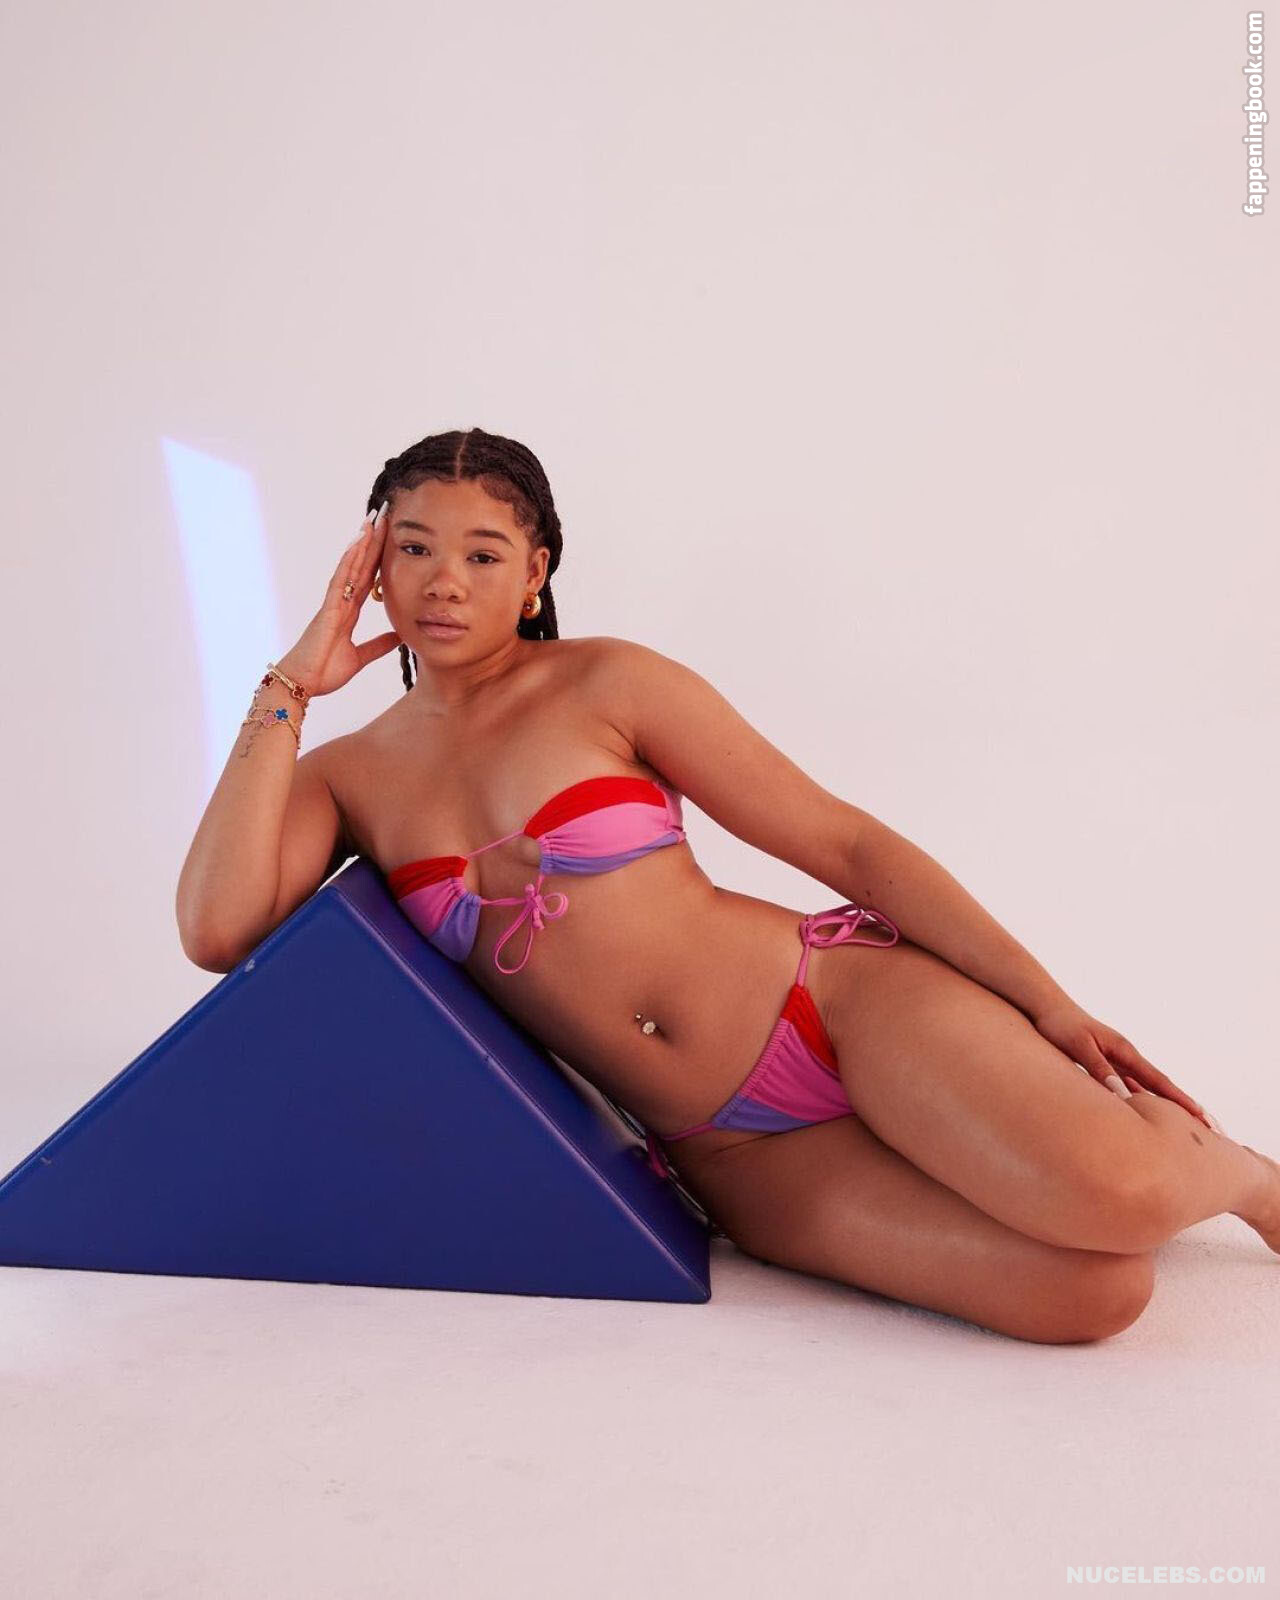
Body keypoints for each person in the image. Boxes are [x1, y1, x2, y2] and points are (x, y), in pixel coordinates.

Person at [176, 427, 1280, 1344]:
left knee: (1122, 1197)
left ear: (535, 571)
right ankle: (1032, 1159)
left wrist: (1047, 1002)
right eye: (413, 548)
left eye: (482, 552)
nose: (443, 582)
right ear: (370, 566)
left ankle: (1238, 1176)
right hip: (732, 1152)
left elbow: (843, 843)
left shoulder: (607, 681)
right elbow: (215, 928)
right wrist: (289, 685)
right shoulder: (350, 776)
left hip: (831, 1007)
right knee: (1094, 1295)